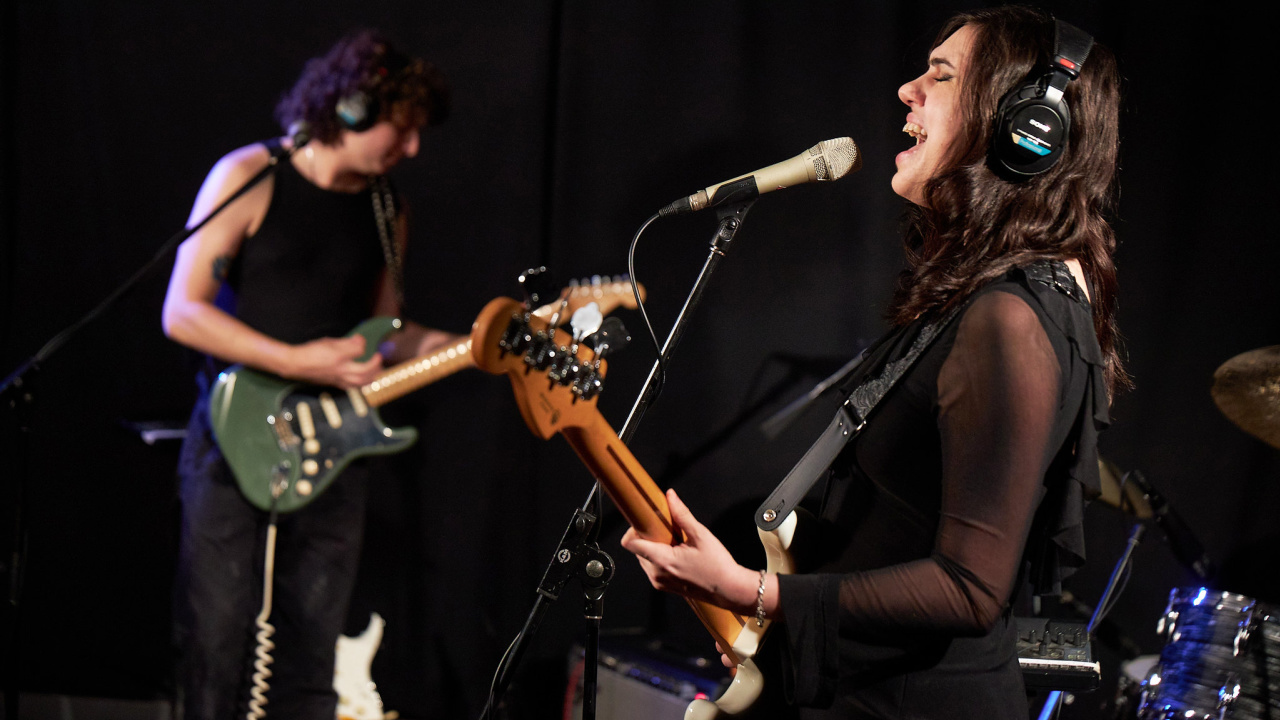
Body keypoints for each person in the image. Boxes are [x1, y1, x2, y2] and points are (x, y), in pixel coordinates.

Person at [621, 7, 1125, 719]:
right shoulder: (988, 298)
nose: (907, 91)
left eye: (941, 76)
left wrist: (750, 591)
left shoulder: (1012, 318)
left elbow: (970, 589)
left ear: (1026, 126)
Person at [161, 31, 463, 720]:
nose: (412, 150)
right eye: (403, 129)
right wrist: (297, 360)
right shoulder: (248, 175)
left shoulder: (389, 210)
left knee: (313, 641)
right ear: (350, 109)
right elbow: (183, 311)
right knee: (213, 637)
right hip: (232, 429)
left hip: (336, 440)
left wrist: (476, 343)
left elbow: (385, 334)